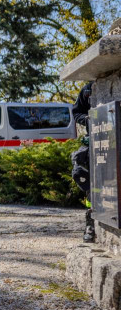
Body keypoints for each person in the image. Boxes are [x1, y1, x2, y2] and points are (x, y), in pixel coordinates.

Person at [71, 82, 94, 242]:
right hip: (97, 144)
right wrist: (85, 119)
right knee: (93, 188)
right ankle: (91, 224)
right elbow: (76, 112)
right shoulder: (88, 88)